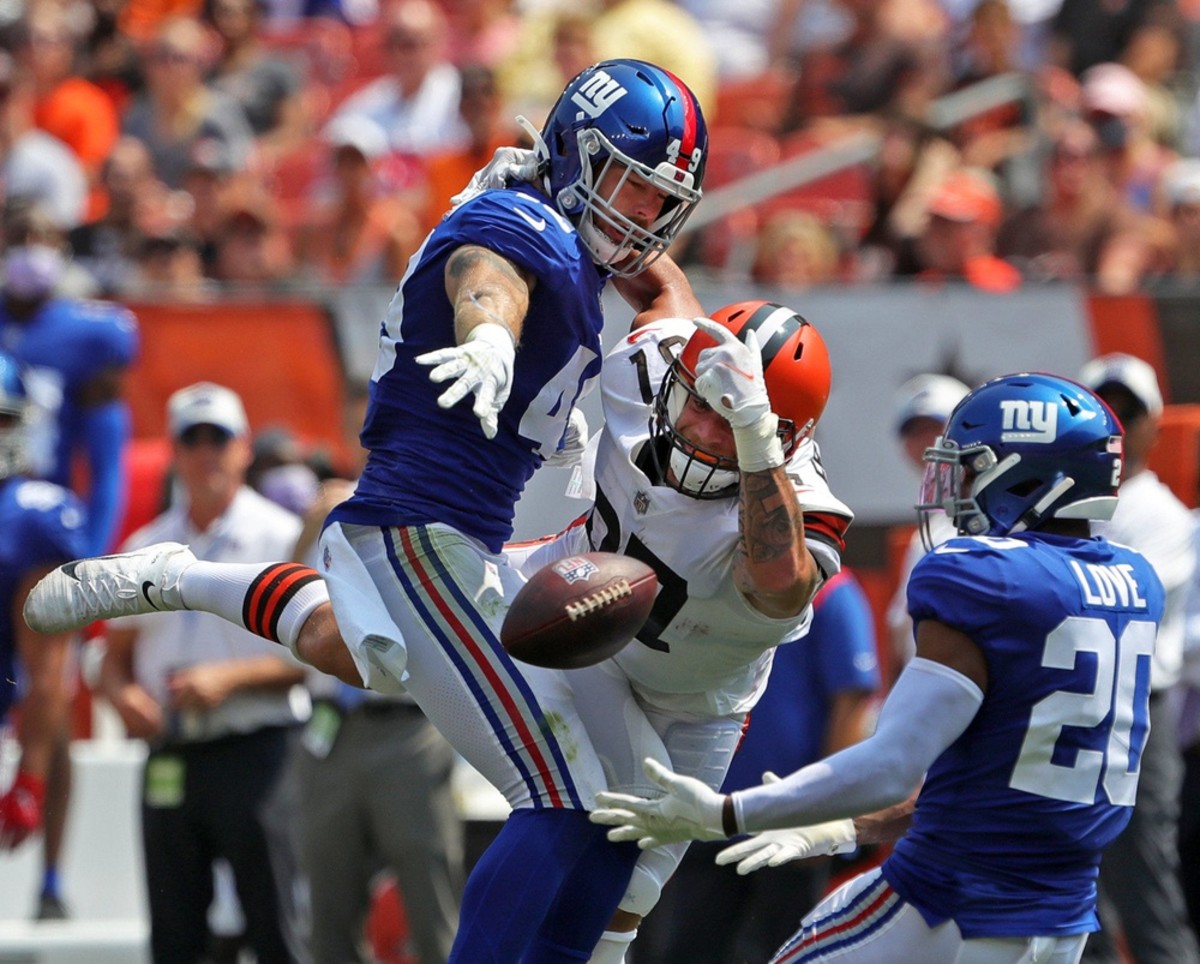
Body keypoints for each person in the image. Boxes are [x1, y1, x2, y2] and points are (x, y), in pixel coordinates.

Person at [27, 58, 711, 962]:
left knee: (368, 664)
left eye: (660, 200)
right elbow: (487, 270)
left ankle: (179, 578)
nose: (642, 217)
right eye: (627, 183)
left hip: (445, 539)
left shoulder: (560, 226)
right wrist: (489, 336)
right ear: (578, 156)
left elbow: (668, 301)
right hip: (424, 538)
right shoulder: (524, 222)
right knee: (562, 796)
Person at [592, 371, 1165, 964]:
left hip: (947, 903)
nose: (954, 485)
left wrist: (726, 813)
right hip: (1058, 921)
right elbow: (1005, 783)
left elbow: (893, 764)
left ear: (1027, 474)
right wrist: (846, 827)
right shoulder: (1133, 583)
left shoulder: (986, 576)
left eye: (972, 466)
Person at [95, 382, 308, 964]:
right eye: (194, 438)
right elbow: (111, 663)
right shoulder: (143, 546)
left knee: (275, 924)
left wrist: (227, 681)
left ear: (242, 448)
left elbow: (315, 659)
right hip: (171, 751)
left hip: (257, 751)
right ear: (175, 451)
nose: (207, 451)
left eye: (219, 437)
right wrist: (125, 699)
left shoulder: (281, 537)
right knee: (173, 929)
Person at [292, 380, 465, 964]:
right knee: (328, 906)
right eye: (357, 422)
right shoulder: (327, 506)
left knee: (430, 899)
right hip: (333, 729)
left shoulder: (436, 495)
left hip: (410, 724)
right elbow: (292, 610)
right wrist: (309, 528)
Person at [1, 197, 138, 919]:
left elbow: (106, 458)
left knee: (48, 689)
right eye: (16, 236)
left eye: (42, 237)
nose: (28, 249)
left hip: (36, 522)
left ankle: (48, 864)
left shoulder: (89, 336)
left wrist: (94, 556)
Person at [632, 566, 880, 963]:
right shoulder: (708, 578)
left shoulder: (831, 591)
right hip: (703, 814)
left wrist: (824, 810)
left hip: (789, 822)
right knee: (684, 950)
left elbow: (850, 702)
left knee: (784, 952)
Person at [1076, 353, 1200, 964]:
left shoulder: (1163, 515)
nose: (1116, 426)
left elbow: (1122, 612)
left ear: (1154, 423)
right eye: (1103, 412)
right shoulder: (1065, 505)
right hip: (1069, 711)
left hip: (1134, 719)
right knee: (1077, 897)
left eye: (1128, 412)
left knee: (1144, 885)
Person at [0, 352, 87, 884]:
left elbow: (47, 669)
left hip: (14, 685)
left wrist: (28, 777)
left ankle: (52, 878)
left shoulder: (33, 514)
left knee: (56, 723)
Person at [884, 372, 969, 677]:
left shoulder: (981, 523)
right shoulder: (930, 527)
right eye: (915, 431)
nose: (927, 442)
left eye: (937, 428)